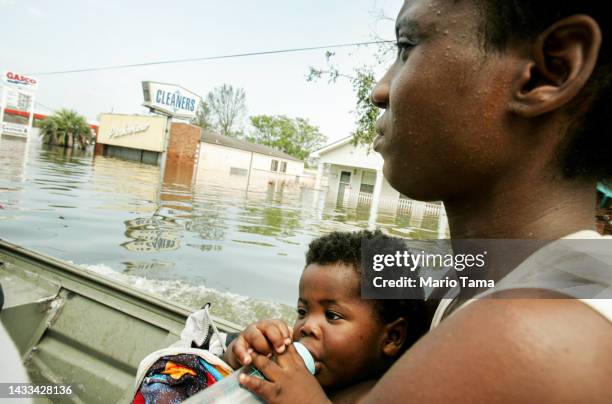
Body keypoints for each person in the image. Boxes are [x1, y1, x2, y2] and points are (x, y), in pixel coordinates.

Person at [240, 0, 612, 402]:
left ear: (546, 72)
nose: (379, 90)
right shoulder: (473, 278)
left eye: (406, 46)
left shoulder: (522, 336)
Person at [229, 230, 431, 403]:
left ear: (391, 338)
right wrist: (238, 356)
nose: (307, 326)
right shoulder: (290, 370)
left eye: (332, 315)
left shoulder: (385, 396)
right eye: (302, 311)